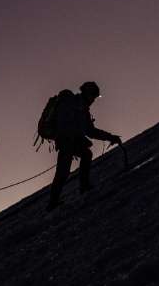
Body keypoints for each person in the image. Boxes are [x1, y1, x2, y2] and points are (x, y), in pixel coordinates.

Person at [47, 81, 121, 211]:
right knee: (63, 172)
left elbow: (90, 131)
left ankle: (83, 187)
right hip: (66, 141)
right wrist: (74, 138)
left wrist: (110, 137)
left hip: (70, 141)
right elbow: (67, 126)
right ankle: (53, 203)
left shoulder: (82, 109)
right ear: (87, 94)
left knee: (85, 155)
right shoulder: (71, 104)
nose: (93, 100)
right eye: (93, 96)